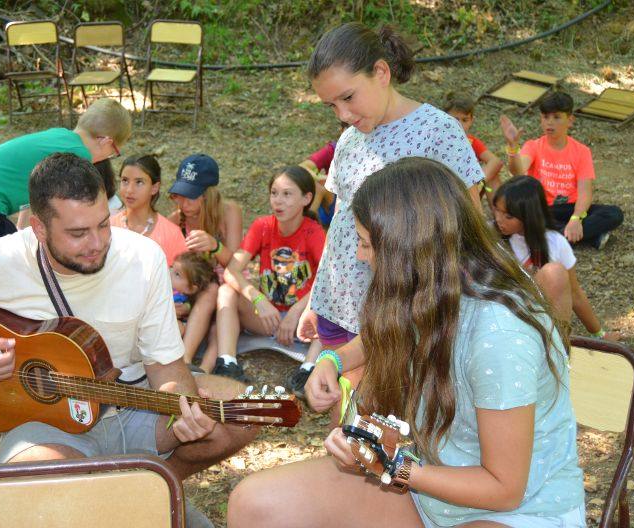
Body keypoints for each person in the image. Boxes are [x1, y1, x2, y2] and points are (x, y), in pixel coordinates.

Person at [0, 153, 257, 527]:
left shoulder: (143, 258)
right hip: (44, 422)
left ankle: (142, 495)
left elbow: (165, 364)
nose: (96, 243)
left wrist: (181, 412)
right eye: (77, 233)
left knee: (243, 413)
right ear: (38, 228)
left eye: (103, 225)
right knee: (41, 481)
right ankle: (134, 504)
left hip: (132, 401)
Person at [228, 157, 585, 528]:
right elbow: (379, 336)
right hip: (425, 489)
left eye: (366, 244)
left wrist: (390, 463)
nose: (359, 255)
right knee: (255, 504)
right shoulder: (434, 285)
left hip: (517, 511)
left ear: (409, 248)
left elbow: (503, 488)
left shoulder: (500, 335)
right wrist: (332, 361)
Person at [297, 23, 485, 377]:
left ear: (381, 72)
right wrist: (316, 299)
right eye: (331, 105)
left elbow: (471, 227)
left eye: (348, 97)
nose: (342, 114)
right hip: (338, 308)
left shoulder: (438, 130)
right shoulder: (350, 141)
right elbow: (339, 222)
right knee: (348, 416)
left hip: (397, 314)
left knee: (378, 423)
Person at [0, 98, 132, 253]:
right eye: (113, 152)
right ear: (106, 142)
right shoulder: (78, 156)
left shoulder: (61, 135)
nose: (108, 158)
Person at [214, 167, 325, 392]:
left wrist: (295, 313)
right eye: (274, 193)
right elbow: (231, 271)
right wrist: (258, 300)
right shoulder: (262, 226)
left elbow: (327, 280)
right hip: (268, 318)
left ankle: (308, 369)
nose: (278, 201)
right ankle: (227, 363)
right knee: (226, 292)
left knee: (333, 307)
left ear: (307, 198)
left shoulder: (313, 232)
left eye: (287, 194)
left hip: (304, 320)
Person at [494, 176, 620, 341]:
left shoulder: (555, 243)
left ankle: (557, 348)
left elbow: (575, 294)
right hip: (499, 322)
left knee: (555, 273)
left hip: (539, 325)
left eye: (508, 216)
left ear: (528, 216)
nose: (498, 219)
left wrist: (600, 334)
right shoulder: (491, 238)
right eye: (496, 210)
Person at [500, 91, 624, 249]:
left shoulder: (582, 151)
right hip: (541, 208)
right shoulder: (533, 146)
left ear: (570, 120)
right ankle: (585, 237)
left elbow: (585, 192)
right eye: (545, 117)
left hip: (570, 208)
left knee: (614, 214)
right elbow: (517, 171)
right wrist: (512, 147)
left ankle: (547, 236)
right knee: (517, 217)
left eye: (556, 117)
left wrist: (576, 218)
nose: (550, 123)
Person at [167, 154, 243, 366]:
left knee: (217, 325)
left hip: (228, 293)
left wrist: (215, 246)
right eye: (179, 195)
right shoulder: (177, 220)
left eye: (190, 196)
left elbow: (236, 266)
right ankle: (186, 360)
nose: (183, 203)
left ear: (208, 195)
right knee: (209, 291)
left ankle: (206, 370)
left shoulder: (229, 213)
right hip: (192, 293)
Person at [111, 154, 188, 266]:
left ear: (154, 188)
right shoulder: (109, 227)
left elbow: (183, 278)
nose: (129, 190)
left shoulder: (172, 234)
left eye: (139, 182)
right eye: (125, 180)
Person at [445, 95, 503, 205]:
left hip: (469, 191)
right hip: (446, 189)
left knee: (493, 176)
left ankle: (499, 216)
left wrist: (478, 181)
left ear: (472, 121)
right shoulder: (438, 140)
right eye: (455, 119)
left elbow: (496, 161)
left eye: (464, 120)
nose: (459, 124)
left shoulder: (471, 142)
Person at [300, 121, 349, 228]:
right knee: (317, 185)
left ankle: (306, 230)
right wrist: (325, 178)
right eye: (349, 129)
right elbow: (302, 168)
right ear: (341, 131)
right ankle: (304, 232)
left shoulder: (369, 154)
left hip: (351, 209)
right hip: (328, 202)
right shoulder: (333, 150)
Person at [171, 252, 217, 343]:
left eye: (177, 274)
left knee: (179, 328)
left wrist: (186, 307)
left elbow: (193, 307)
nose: (170, 274)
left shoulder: (189, 300)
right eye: (172, 268)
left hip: (174, 323)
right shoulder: (163, 286)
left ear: (190, 289)